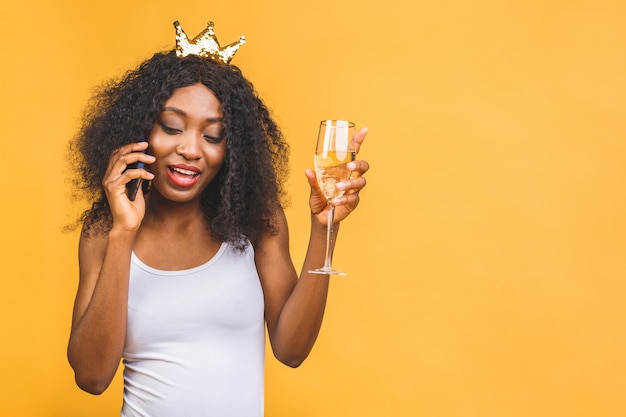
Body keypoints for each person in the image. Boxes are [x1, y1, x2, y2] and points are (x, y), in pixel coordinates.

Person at [66, 21, 369, 417]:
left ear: (233, 149)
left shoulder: (255, 219)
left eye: (212, 136)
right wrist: (124, 232)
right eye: (172, 127)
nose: (190, 149)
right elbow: (91, 377)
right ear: (142, 130)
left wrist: (324, 228)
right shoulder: (104, 230)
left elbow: (292, 350)